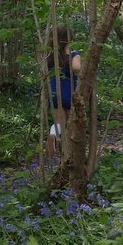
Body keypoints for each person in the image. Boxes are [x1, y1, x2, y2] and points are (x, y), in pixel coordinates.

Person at [45, 25, 82, 159]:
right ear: (69, 40)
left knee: (59, 122)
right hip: (69, 91)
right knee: (71, 123)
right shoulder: (73, 54)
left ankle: (53, 135)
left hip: (53, 92)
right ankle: (68, 151)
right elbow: (76, 68)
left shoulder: (49, 56)